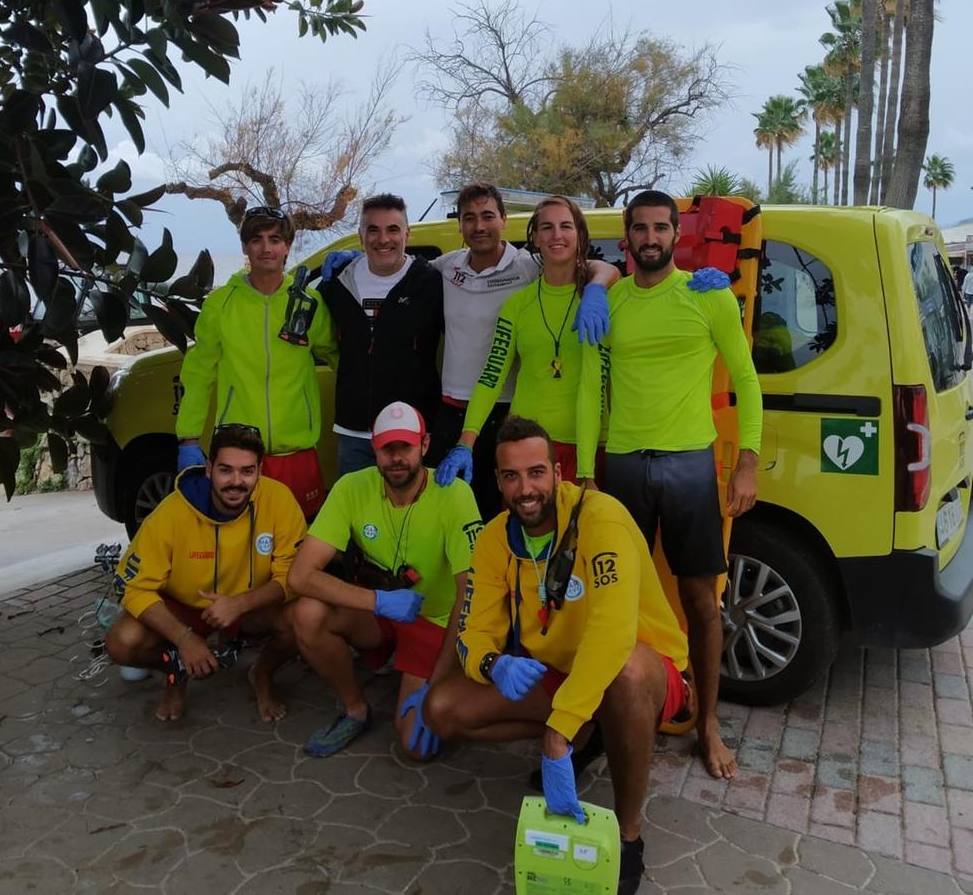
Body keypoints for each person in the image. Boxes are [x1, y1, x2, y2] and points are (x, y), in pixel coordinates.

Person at [424, 416, 689, 895]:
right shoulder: (493, 539)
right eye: (511, 476)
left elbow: (613, 630)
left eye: (536, 472)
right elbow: (473, 632)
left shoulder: (600, 518)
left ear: (558, 473)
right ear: (498, 482)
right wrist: (491, 664)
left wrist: (558, 724)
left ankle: (629, 834)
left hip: (648, 666)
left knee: (624, 675)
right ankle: (592, 731)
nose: (526, 489)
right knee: (440, 709)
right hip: (561, 672)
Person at [577, 190, 763, 781]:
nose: (650, 238)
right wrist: (585, 473)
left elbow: (746, 380)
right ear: (626, 236)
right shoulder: (609, 303)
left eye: (661, 228)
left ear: (675, 234)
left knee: (701, 603)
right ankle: (613, 714)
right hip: (625, 465)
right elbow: (589, 392)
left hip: (688, 465)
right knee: (614, 598)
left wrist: (748, 462)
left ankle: (708, 725)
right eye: (640, 228)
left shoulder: (707, 297)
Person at [288, 401, 482, 758]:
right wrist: (378, 602)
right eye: (386, 448)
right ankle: (354, 710)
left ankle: (452, 682)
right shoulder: (351, 487)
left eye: (405, 447)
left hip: (435, 621)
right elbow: (300, 575)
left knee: (415, 747)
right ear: (373, 448)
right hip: (381, 610)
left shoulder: (454, 494)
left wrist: (437, 679)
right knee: (307, 614)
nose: (396, 458)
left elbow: (470, 595)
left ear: (424, 445)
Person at [429, 183, 616, 517]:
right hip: (524, 448)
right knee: (520, 548)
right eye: (546, 227)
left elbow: (592, 385)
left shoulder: (598, 300)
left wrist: (586, 472)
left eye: (566, 226)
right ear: (535, 237)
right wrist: (465, 444)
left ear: (580, 235)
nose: (556, 235)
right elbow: (491, 375)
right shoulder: (517, 304)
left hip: (582, 446)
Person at [106, 423, 305, 723]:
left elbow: (293, 575)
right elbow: (133, 587)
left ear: (260, 471)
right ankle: (177, 670)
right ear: (209, 469)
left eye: (247, 471)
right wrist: (184, 638)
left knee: (306, 618)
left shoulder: (279, 499)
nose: (236, 481)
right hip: (184, 610)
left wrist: (239, 604)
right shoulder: (170, 512)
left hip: (248, 606)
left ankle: (262, 673)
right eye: (226, 470)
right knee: (122, 641)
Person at [175, 205, 337, 521]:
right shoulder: (221, 304)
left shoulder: (308, 302)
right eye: (257, 239)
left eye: (275, 239)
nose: (266, 248)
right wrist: (188, 438)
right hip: (240, 457)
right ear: (245, 246)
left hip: (297, 453)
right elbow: (198, 373)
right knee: (241, 551)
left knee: (297, 552)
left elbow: (339, 356)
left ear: (288, 246)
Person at [316, 194, 444, 479]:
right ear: (361, 234)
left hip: (412, 430)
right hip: (354, 432)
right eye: (373, 229)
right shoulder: (336, 284)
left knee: (410, 518)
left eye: (393, 229)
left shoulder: (431, 282)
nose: (383, 239)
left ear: (407, 234)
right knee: (355, 518)